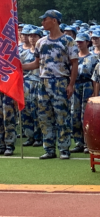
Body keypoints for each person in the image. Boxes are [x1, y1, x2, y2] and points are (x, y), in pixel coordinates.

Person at [21, 10, 78, 160]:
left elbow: (74, 64)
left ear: (54, 20)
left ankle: (64, 148)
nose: (42, 22)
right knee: (44, 116)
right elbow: (36, 63)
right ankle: (49, 148)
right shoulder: (41, 42)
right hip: (43, 82)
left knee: (62, 116)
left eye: (45, 19)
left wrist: (71, 84)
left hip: (60, 81)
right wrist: (20, 67)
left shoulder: (68, 41)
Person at [71, 33, 98, 153]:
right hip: (75, 85)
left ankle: (88, 142)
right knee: (74, 115)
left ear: (87, 42)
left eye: (81, 42)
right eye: (77, 42)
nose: (78, 44)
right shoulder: (73, 57)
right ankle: (79, 142)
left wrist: (94, 92)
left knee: (86, 115)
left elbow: (95, 78)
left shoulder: (93, 58)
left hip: (87, 85)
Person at [19, 27, 42, 149]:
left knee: (38, 111)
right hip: (26, 84)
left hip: (38, 83)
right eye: (30, 36)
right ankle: (29, 136)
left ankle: (38, 137)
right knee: (26, 110)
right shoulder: (23, 54)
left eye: (35, 36)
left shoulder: (43, 53)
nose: (32, 38)